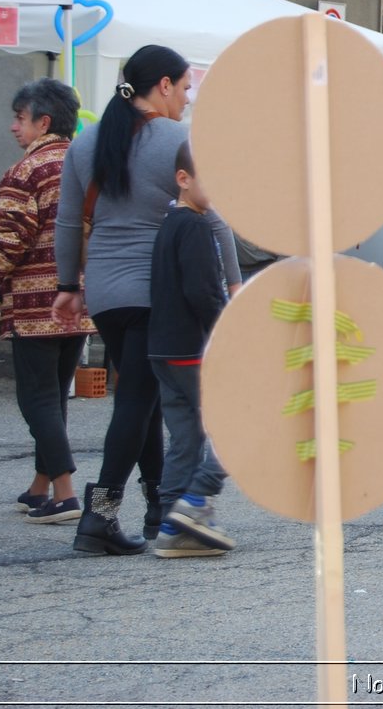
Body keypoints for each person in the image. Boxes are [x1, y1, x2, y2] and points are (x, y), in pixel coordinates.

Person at [53, 45, 241, 556]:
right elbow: (213, 214)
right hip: (157, 291)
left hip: (105, 293)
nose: (185, 100)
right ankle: (100, 514)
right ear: (162, 85)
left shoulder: (86, 143)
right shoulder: (178, 139)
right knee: (137, 401)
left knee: (147, 397)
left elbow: (70, 221)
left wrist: (69, 286)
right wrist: (233, 281)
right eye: (183, 89)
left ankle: (160, 507)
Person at [0, 78, 94, 523]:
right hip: (81, 299)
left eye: (20, 118)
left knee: (37, 399)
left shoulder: (26, 171)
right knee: (55, 395)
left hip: (35, 304)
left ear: (43, 121)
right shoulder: (87, 164)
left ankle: (66, 492)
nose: (15, 127)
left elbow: (8, 239)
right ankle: (41, 485)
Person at [148, 142, 236, 558]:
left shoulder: (169, 223)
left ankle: (171, 524)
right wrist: (227, 333)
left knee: (184, 437)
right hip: (194, 349)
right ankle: (196, 500)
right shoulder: (197, 227)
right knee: (237, 428)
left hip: (162, 348)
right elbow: (203, 293)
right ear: (184, 180)